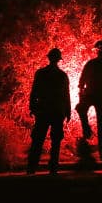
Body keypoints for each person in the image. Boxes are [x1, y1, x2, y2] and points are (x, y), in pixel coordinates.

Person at [27, 47, 71, 175]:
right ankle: (53, 168)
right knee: (56, 141)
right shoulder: (62, 75)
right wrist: (68, 111)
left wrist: (33, 107)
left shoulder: (41, 73)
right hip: (57, 112)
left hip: (43, 111)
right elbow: (66, 95)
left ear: (49, 58)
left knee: (38, 139)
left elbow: (34, 91)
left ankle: (32, 167)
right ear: (59, 60)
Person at [76, 39, 102, 164]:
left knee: (81, 109)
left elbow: (82, 81)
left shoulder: (91, 63)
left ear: (96, 50)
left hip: (91, 94)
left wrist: (82, 91)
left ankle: (86, 130)